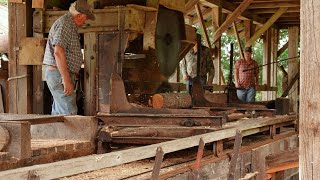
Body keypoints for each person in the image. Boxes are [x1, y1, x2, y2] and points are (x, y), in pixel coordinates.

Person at [43, 0, 95, 115]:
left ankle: (56, 133)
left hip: (58, 74)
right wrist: (66, 79)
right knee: (69, 113)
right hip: (59, 75)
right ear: (79, 15)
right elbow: (58, 52)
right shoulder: (65, 24)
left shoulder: (69, 25)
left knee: (60, 114)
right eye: (86, 17)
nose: (86, 20)